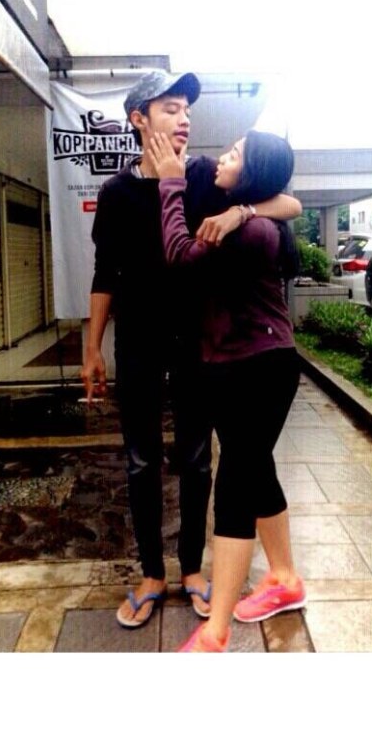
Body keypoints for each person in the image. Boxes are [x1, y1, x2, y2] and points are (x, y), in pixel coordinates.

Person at [81, 70, 301, 628]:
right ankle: (152, 574)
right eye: (171, 109)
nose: (184, 120)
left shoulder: (204, 175)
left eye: (187, 110)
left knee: (198, 457)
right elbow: (105, 273)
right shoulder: (115, 193)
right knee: (140, 459)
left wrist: (241, 211)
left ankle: (193, 569)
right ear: (139, 119)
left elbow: (290, 203)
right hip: (137, 341)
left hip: (198, 344)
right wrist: (92, 347)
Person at [148, 127, 306, 652]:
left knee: (236, 484)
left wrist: (170, 185)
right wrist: (241, 207)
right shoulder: (245, 212)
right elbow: (289, 201)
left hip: (259, 369)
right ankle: (284, 578)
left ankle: (214, 634)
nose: (223, 157)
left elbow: (178, 254)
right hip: (242, 366)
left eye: (235, 153)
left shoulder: (250, 232)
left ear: (251, 171)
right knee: (257, 470)